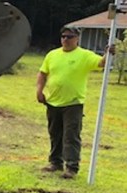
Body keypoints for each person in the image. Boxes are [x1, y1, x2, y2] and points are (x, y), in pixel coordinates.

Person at [36, 26, 113, 179]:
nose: (65, 39)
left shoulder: (84, 55)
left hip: (73, 103)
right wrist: (39, 90)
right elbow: (43, 73)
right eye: (63, 36)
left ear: (77, 38)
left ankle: (71, 167)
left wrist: (108, 53)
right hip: (53, 101)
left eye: (69, 37)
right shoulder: (52, 55)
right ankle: (55, 162)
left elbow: (101, 63)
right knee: (55, 133)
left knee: (71, 135)